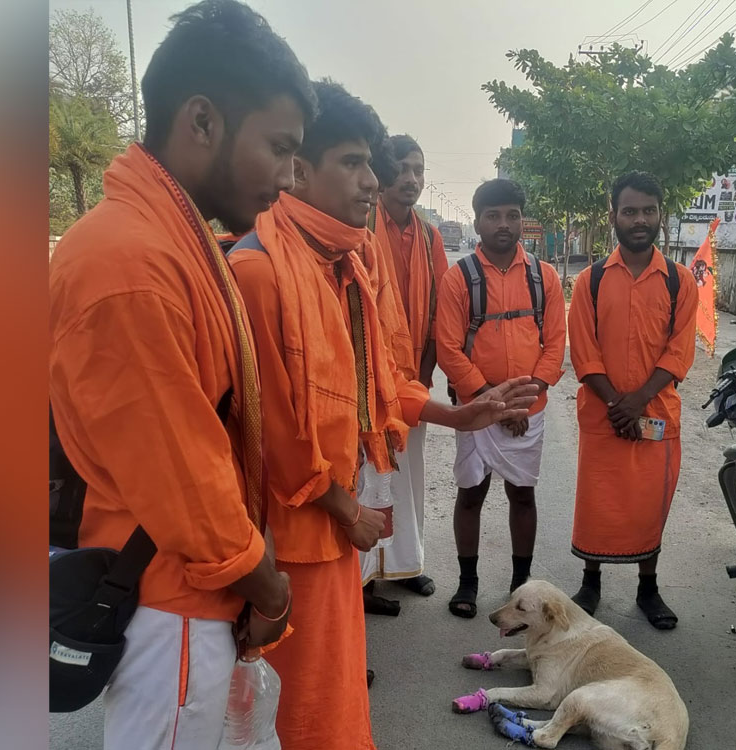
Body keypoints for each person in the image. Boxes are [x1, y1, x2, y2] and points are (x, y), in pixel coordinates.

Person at [227, 80, 537, 750]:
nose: (373, 181)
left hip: (335, 524)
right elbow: (272, 435)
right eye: (353, 163)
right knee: (299, 707)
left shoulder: (341, 264)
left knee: (334, 694)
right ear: (298, 170)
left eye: (372, 164)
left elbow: (379, 381)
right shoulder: (259, 271)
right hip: (287, 539)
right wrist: (347, 510)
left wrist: (461, 414)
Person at [48, 3, 313, 748]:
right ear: (202, 121)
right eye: (280, 148)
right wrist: (268, 586)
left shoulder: (175, 241)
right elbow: (184, 476)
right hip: (173, 595)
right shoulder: (128, 262)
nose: (289, 178)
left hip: (192, 588)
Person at [566, 171, 699, 630]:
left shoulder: (680, 282)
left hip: (656, 414)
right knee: (598, 500)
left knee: (649, 504)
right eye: (629, 211)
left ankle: (648, 588)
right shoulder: (591, 281)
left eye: (648, 210)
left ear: (661, 215)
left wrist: (639, 401)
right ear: (613, 217)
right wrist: (616, 405)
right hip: (603, 416)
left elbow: (679, 352)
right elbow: (584, 353)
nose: (639, 219)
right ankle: (590, 583)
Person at [435, 178, 567, 619]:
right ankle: (467, 581)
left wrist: (522, 403)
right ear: (477, 222)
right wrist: (492, 403)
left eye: (512, 215)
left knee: (523, 496)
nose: (504, 224)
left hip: (528, 410)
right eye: (493, 216)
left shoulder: (544, 277)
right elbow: (448, 348)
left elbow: (555, 345)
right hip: (476, 408)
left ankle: (520, 583)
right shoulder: (459, 278)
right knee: (471, 494)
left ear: (522, 221)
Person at [359, 134, 449, 615]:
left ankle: (407, 564)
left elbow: (438, 314)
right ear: (379, 172)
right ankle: (363, 578)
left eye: (419, 169)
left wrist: (423, 378)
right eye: (401, 168)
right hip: (363, 382)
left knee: (409, 479)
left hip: (411, 384)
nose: (411, 179)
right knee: (366, 479)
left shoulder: (430, 237)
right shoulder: (360, 224)